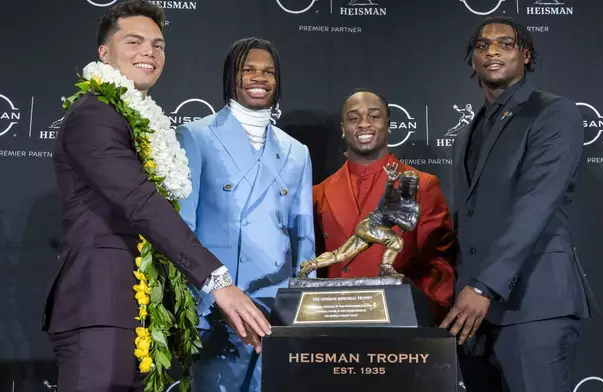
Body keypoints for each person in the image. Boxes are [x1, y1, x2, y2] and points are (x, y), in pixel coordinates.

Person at [41, 2, 270, 390]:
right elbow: (140, 201)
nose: (149, 52)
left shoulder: (140, 121)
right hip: (99, 308)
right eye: (134, 41)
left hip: (141, 312)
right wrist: (218, 282)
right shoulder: (94, 114)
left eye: (158, 44)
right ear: (104, 52)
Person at [441, 16, 598, 392]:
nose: (492, 50)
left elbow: (535, 205)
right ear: (473, 60)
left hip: (533, 306)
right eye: (482, 45)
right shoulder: (467, 132)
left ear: (526, 55)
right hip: (473, 317)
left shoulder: (552, 112)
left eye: (505, 44)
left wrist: (482, 289)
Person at [176, 37, 315, 392]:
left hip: (277, 311)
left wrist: (302, 308)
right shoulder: (195, 136)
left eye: (268, 72)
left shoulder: (297, 152)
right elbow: (182, 229)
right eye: (248, 69)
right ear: (230, 77)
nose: (259, 78)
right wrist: (199, 302)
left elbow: (304, 237)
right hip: (217, 308)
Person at [310, 89, 456, 322]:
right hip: (334, 322)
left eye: (374, 116)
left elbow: (439, 263)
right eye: (354, 118)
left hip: (399, 323)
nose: (363, 124)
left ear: (388, 125)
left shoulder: (422, 185)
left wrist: (419, 306)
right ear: (343, 128)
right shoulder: (320, 193)